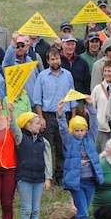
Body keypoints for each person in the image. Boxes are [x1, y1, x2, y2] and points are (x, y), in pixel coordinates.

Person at [57, 97, 102, 219]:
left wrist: (90, 105)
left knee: (83, 213)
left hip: (90, 181)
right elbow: (62, 128)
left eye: (82, 130)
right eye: (76, 130)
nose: (80, 133)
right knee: (83, 212)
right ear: (72, 131)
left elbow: (95, 122)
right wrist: (61, 113)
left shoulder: (90, 138)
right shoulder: (69, 141)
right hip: (76, 183)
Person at [34, 48, 76, 183]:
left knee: (62, 146)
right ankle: (46, 176)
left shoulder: (68, 75)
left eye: (57, 58)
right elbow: (37, 99)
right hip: (48, 116)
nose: (55, 61)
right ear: (48, 61)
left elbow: (72, 97)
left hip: (64, 115)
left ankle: (60, 176)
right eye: (52, 59)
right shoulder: (42, 76)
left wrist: (73, 118)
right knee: (46, 146)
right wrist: (40, 117)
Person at [14, 110, 52, 219]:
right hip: (24, 178)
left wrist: (48, 178)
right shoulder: (21, 138)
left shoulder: (43, 141)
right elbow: (13, 126)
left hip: (39, 179)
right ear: (28, 125)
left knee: (35, 210)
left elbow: (48, 160)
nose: (40, 125)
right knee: (26, 210)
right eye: (36, 123)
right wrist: (12, 113)